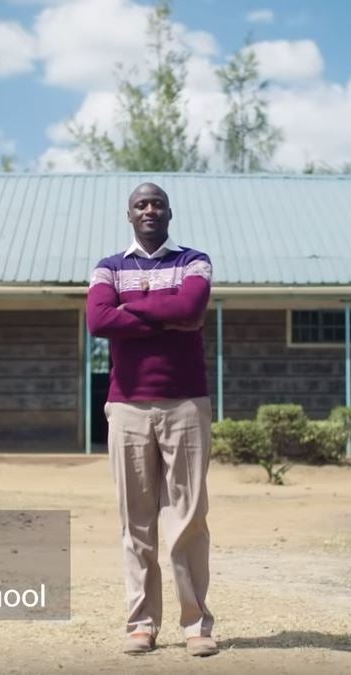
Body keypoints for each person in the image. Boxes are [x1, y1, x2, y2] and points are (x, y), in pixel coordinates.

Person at [85, 183, 217, 657]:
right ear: (129, 215)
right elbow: (97, 322)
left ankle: (197, 625)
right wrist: (163, 315)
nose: (149, 210)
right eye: (141, 204)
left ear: (169, 213)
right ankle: (141, 623)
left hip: (185, 404)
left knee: (188, 518)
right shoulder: (109, 266)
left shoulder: (193, 261)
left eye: (156, 203)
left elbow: (191, 306)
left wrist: (129, 307)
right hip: (127, 407)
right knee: (135, 520)